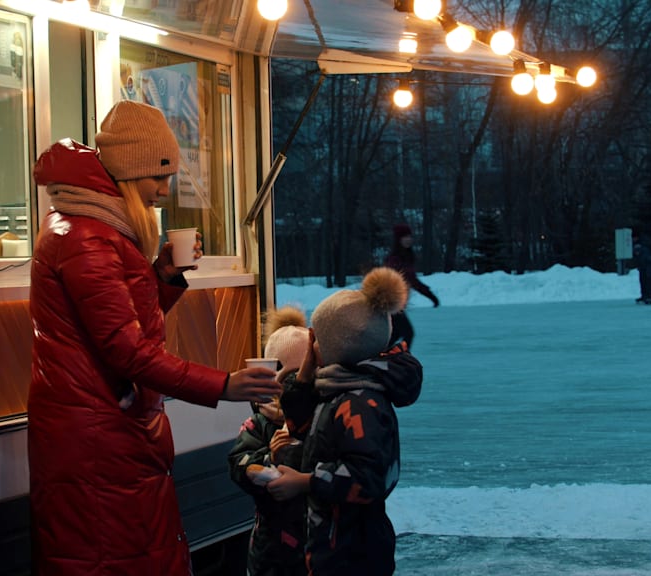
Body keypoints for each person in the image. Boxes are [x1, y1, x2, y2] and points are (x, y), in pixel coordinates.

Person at [28, 100, 281, 576]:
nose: (164, 191)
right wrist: (224, 385)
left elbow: (120, 325)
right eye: (156, 178)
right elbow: (126, 349)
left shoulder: (95, 227)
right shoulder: (87, 236)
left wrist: (163, 275)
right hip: (97, 439)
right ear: (126, 173)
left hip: (105, 429)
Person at [268, 267, 424, 576]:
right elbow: (319, 441)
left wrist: (305, 481)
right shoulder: (339, 389)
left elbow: (367, 477)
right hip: (335, 546)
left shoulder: (357, 403)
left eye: (317, 338)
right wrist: (305, 374)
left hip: (353, 554)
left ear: (334, 345)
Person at [228, 306, 310, 576]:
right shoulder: (259, 424)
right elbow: (240, 467)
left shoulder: (318, 418)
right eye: (291, 378)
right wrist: (270, 459)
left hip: (317, 544)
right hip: (273, 549)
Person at [383, 223, 439, 348]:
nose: (409, 239)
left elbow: (412, 280)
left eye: (410, 236)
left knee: (396, 334)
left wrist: (430, 295)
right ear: (398, 240)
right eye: (405, 237)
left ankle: (377, 359)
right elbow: (408, 280)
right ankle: (399, 360)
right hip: (391, 303)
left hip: (397, 304)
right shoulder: (394, 259)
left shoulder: (407, 257)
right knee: (408, 333)